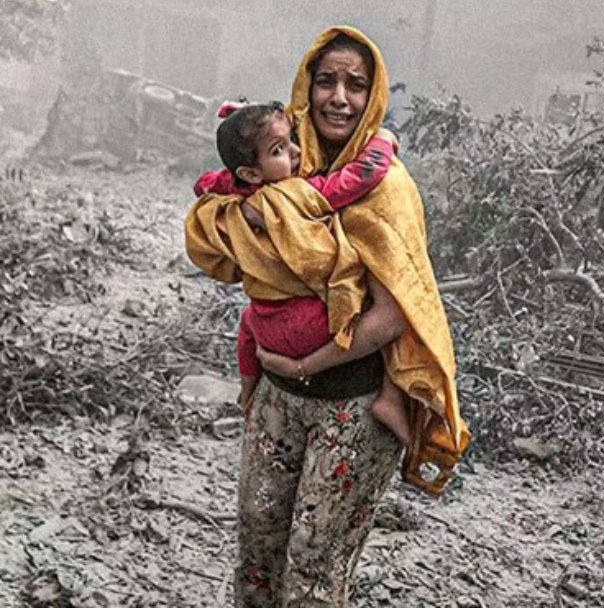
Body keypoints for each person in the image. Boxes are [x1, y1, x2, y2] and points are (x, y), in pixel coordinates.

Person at [186, 26, 470, 607]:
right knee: (257, 555)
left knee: (315, 569)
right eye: (326, 82)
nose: (339, 97)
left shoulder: (388, 188)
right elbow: (219, 236)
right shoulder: (279, 166)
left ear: (375, 97)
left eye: (357, 85)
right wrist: (251, 221)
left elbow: (394, 315)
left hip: (354, 405)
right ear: (305, 90)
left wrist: (302, 358)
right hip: (277, 401)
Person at [193, 100, 411, 445]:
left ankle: (247, 392)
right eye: (280, 149)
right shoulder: (298, 194)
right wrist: (382, 139)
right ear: (251, 172)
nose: (296, 152)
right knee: (373, 300)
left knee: (248, 318)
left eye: (293, 138)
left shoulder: (239, 193)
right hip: (311, 335)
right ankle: (391, 397)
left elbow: (205, 184)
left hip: (266, 331)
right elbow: (358, 178)